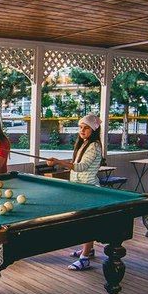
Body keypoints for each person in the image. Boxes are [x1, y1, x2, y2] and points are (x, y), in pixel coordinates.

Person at [46, 114, 103, 271]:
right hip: (81, 188)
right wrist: (58, 162)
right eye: (80, 127)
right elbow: (77, 164)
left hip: (89, 189)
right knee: (85, 221)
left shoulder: (94, 146)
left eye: (86, 128)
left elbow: (80, 167)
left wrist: (58, 161)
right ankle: (89, 249)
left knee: (86, 223)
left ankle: (84, 258)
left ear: (93, 130)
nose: (82, 130)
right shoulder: (85, 143)